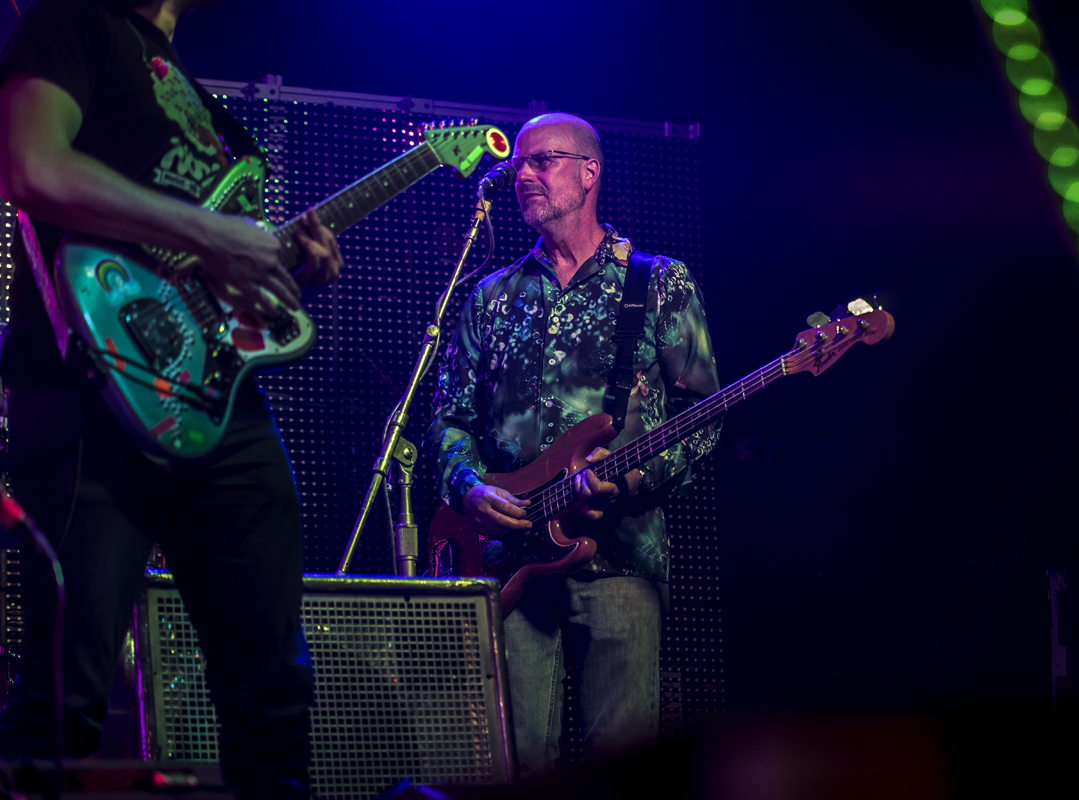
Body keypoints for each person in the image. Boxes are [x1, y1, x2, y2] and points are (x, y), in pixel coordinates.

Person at [0, 1, 342, 797]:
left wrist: (287, 268)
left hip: (223, 404)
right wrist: (207, 231)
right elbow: (28, 164)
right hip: (93, 385)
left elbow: (220, 280)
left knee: (273, 698)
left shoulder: (217, 116)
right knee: (66, 698)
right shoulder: (73, 23)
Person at [424, 112, 720, 781]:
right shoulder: (491, 296)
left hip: (619, 555)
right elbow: (447, 420)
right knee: (514, 764)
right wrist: (470, 489)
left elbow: (702, 416)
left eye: (542, 161)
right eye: (518, 165)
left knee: (624, 767)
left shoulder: (657, 282)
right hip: (507, 563)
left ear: (589, 173)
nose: (522, 176)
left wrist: (634, 482)